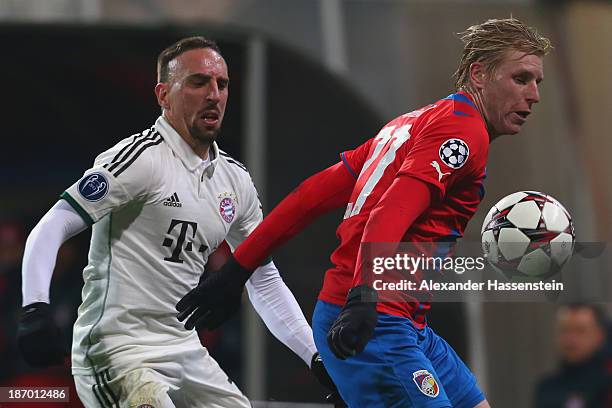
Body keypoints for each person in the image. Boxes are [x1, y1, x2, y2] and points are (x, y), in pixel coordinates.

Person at [175, 18, 553, 408]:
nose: (534, 94)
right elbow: (390, 211)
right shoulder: (463, 134)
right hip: (375, 320)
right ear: (479, 74)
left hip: (401, 321)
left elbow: (311, 196)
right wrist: (364, 298)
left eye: (537, 81)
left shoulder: (413, 123)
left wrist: (237, 269)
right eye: (521, 78)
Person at [17, 36, 341, 407]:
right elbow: (54, 224)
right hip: (120, 350)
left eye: (221, 84)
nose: (213, 94)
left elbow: (263, 278)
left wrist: (315, 356)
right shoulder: (140, 160)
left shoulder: (235, 182)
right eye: (198, 82)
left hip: (186, 350)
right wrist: (34, 310)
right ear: (163, 94)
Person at [534, 304, 612, 408]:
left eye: (580, 331)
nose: (570, 339)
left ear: (600, 335)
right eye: (565, 331)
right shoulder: (547, 388)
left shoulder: (607, 385)